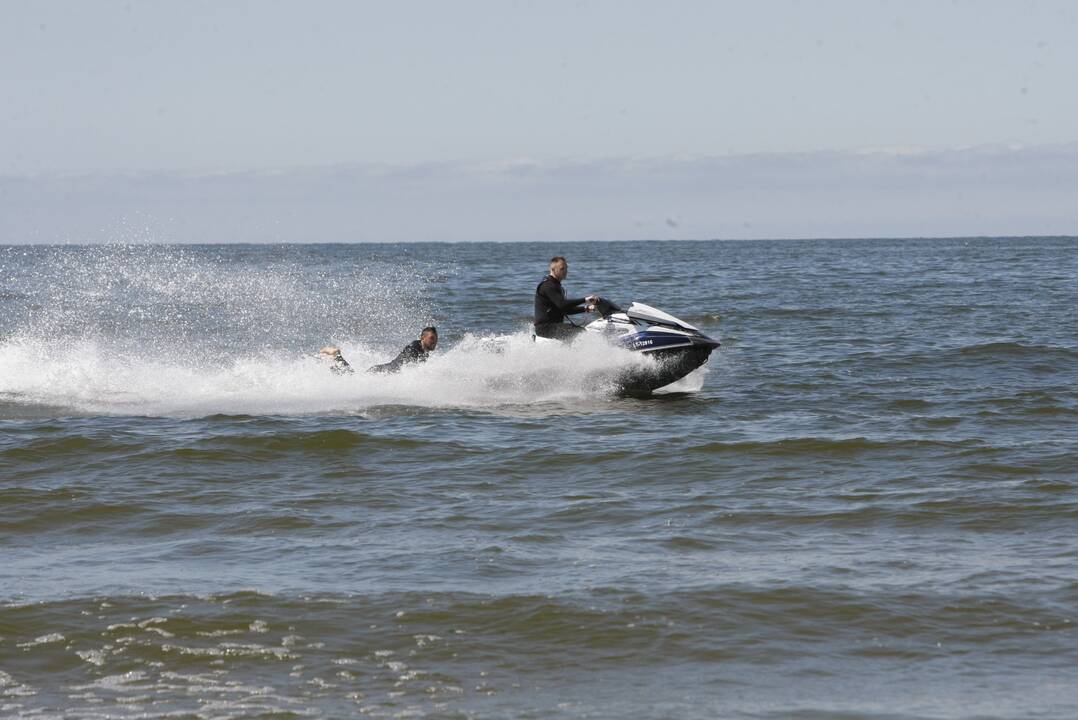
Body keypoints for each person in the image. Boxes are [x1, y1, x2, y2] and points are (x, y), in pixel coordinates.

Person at [319, 326, 438, 375]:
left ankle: (333, 363)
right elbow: (406, 368)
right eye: (431, 338)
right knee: (353, 379)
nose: (434, 341)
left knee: (352, 378)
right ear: (422, 338)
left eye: (436, 339)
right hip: (380, 373)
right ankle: (336, 355)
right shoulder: (415, 347)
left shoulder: (424, 352)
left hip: (383, 371)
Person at [534, 256, 598, 341]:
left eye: (566, 268)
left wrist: (586, 309)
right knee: (581, 333)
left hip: (554, 326)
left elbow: (565, 310)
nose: (565, 271)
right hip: (545, 328)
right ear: (553, 269)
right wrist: (585, 300)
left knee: (581, 330)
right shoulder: (547, 286)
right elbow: (562, 304)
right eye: (562, 269)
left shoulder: (557, 286)